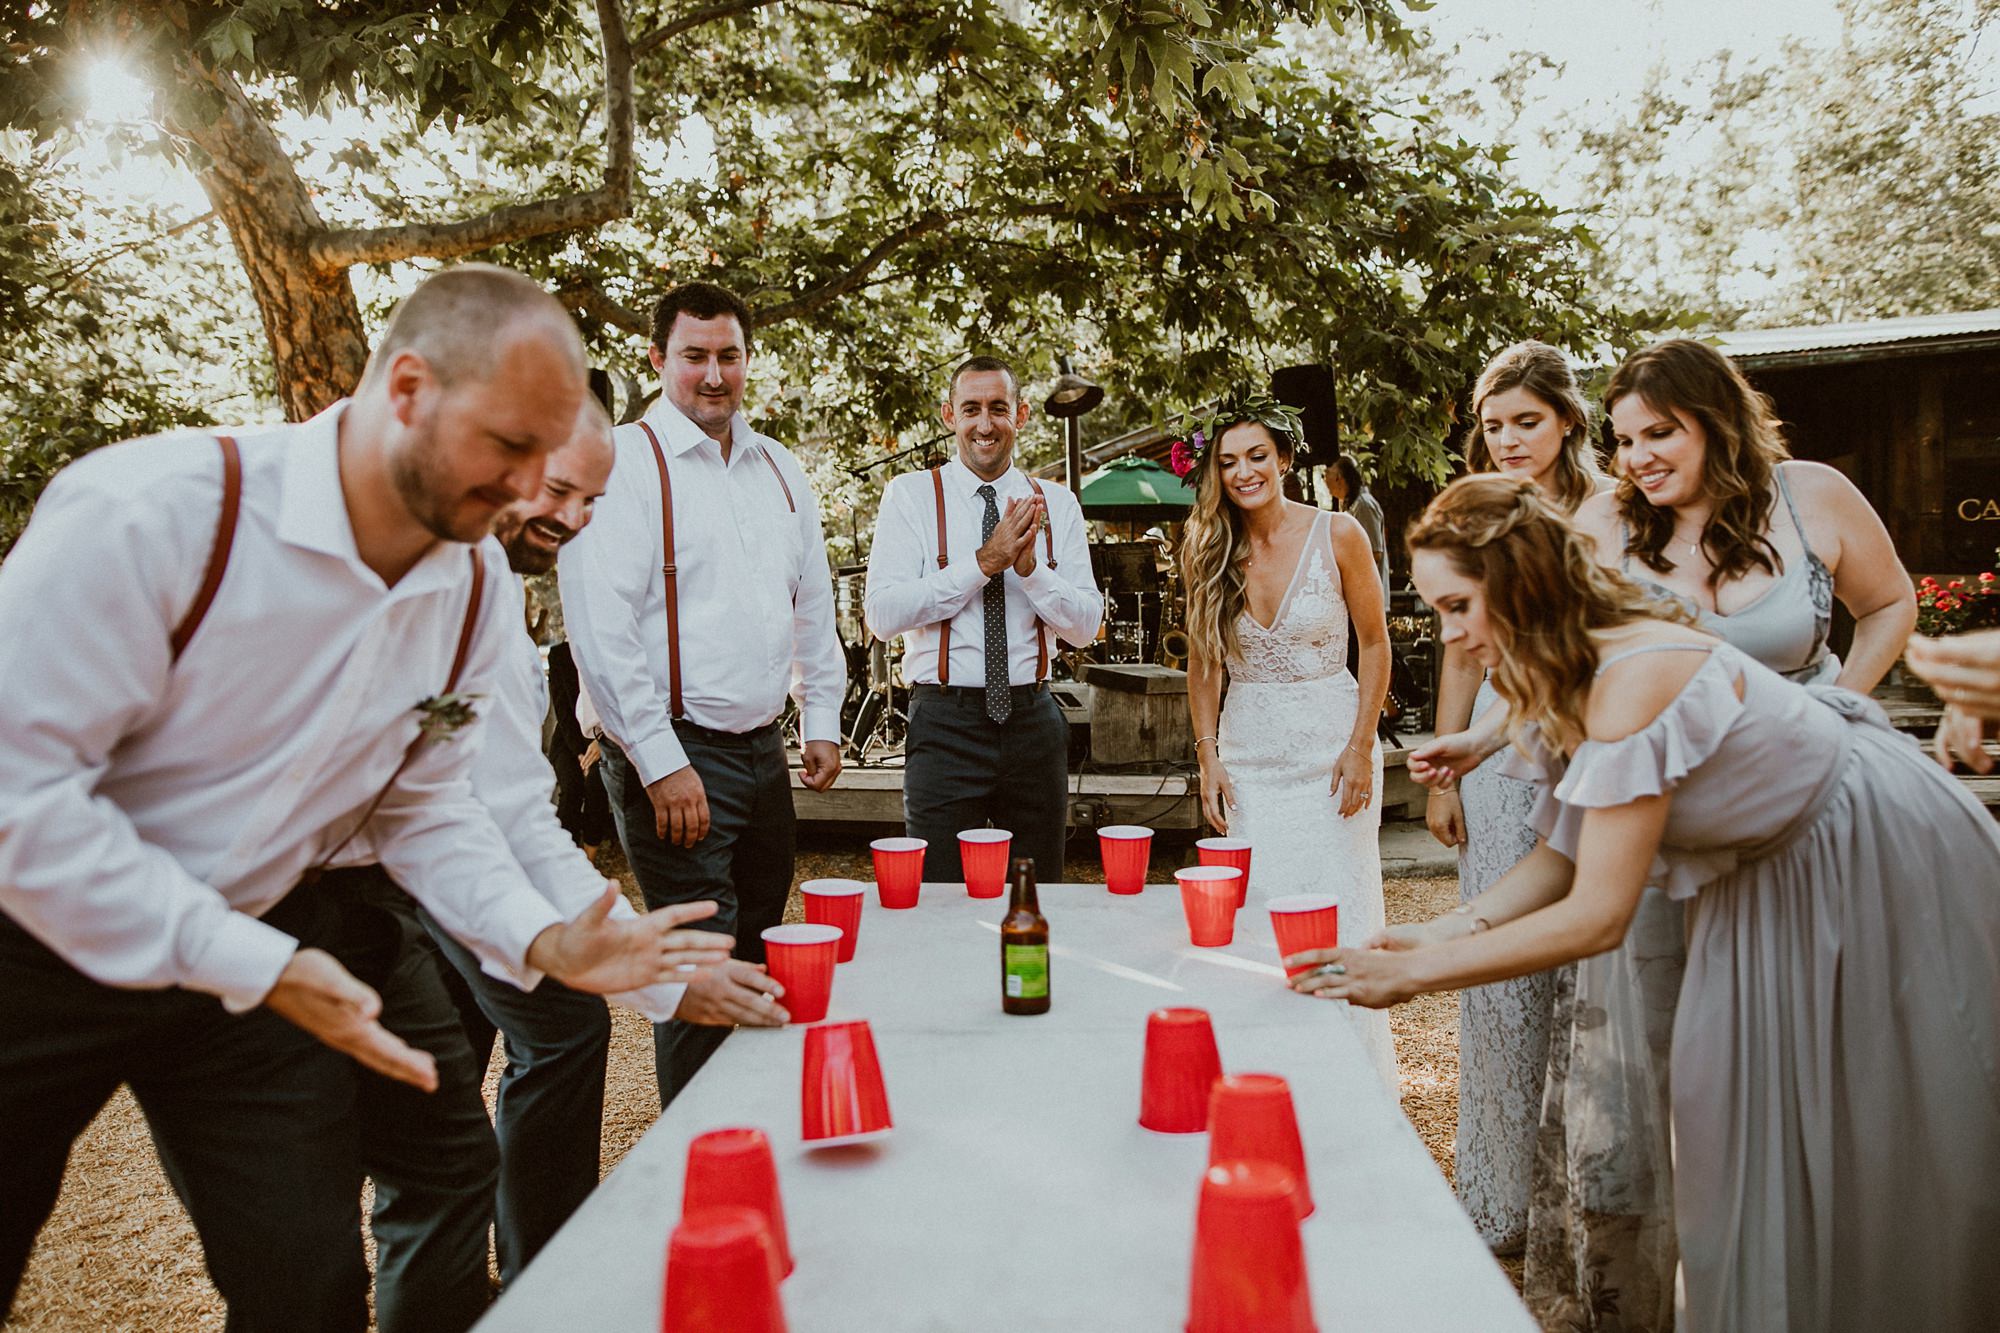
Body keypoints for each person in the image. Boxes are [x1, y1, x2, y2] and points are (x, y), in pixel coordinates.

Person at [0, 265, 730, 1332]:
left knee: (308, 1287)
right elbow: (21, 804)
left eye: (552, 460)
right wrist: (256, 956)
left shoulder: (474, 586)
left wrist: (544, 938)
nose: (537, 497)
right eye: (510, 450)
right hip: (32, 940)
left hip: (256, 960)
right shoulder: (150, 513)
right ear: (406, 391)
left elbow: (426, 805)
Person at [1292, 475, 2000, 1333]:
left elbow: (1598, 913)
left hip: (1866, 853)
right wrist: (1441, 927)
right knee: (1731, 1131)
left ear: (1519, 579)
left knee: (1882, 1130)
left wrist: (1422, 977)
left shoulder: (1627, 673)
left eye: (1457, 604)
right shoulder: (1558, 667)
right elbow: (1565, 850)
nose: (1450, 634)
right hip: (1766, 878)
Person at [344, 397, 789, 1287]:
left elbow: (502, 807)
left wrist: (650, 965)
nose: (577, 522)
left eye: (592, 501)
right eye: (562, 491)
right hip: (301, 901)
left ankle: (534, 1283)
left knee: (442, 1152)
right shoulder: (301, 537)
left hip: (426, 868)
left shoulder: (483, 588)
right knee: (353, 1197)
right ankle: (541, 1266)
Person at [558, 280, 845, 1107]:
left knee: (757, 954)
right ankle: (698, 1168)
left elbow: (811, 603)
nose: (713, 375)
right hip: (675, 756)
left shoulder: (780, 468)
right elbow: (601, 634)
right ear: (658, 359)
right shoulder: (622, 466)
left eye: (729, 356)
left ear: (748, 360)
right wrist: (657, 760)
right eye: (694, 356)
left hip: (760, 752)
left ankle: (748, 1132)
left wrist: (818, 713)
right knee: (698, 974)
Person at [1422, 339, 1612, 1263]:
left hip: (1602, 733)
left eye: (1525, 423)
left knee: (1587, 981)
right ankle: (1492, 1196)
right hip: (1499, 742)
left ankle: (1581, 1197)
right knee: (1499, 975)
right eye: (1493, 425)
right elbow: (1460, 646)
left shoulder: (1614, 510)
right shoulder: (1477, 514)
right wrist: (1449, 768)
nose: (1507, 440)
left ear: (1568, 420)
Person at [1179, 396, 1397, 1089]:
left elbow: (1374, 642)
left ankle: (1348, 1085)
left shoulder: (1338, 535)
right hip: (1247, 761)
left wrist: (1362, 743)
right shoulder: (1210, 548)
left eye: (1257, 456)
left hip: (1333, 759)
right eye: (1229, 460)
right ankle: (1269, 1080)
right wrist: (1207, 753)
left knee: (1337, 918)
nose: (1245, 471)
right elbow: (1203, 663)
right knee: (1258, 921)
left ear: (1285, 458)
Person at [864, 355, 1103, 883]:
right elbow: (881, 616)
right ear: (950, 415)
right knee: (940, 893)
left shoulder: (1057, 504)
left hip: (1033, 720)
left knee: (1037, 890)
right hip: (944, 722)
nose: (985, 423)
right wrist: (982, 564)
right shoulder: (910, 496)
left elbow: (1086, 627)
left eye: (998, 408)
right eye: (971, 408)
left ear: (1020, 415)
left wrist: (1031, 572)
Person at [1323, 454, 1389, 590]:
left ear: (1338, 478)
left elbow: (1375, 553)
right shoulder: (1351, 504)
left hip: (1369, 593)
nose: (1324, 479)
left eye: (1326, 474)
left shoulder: (1363, 505)